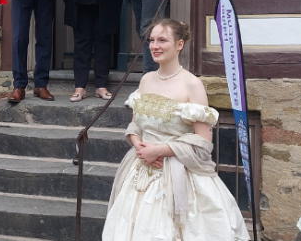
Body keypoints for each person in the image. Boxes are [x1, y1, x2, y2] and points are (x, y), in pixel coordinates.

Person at [102, 19, 249, 241]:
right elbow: (135, 125)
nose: (155, 46)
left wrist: (160, 150)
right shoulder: (146, 80)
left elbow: (203, 141)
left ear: (179, 44)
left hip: (177, 171)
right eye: (152, 40)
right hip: (140, 166)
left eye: (162, 40)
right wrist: (137, 144)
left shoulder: (192, 84)